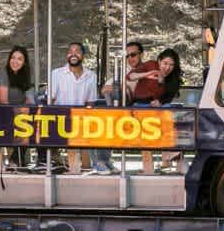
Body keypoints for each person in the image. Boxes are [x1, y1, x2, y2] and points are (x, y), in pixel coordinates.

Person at [90, 41, 151, 175]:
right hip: (125, 114)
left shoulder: (150, 70)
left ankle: (165, 164)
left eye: (133, 55)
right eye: (127, 56)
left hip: (145, 115)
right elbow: (105, 89)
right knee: (101, 121)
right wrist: (122, 87)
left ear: (142, 54)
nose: (130, 58)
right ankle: (101, 161)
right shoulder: (124, 72)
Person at [133, 49, 184, 174]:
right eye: (165, 63)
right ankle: (154, 164)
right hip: (142, 105)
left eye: (171, 65)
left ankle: (170, 157)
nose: (168, 67)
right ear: (159, 61)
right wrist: (146, 75)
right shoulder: (150, 67)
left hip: (160, 106)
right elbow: (132, 76)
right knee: (149, 125)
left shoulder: (174, 79)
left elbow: (167, 97)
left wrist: (159, 102)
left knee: (167, 115)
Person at [49, 42, 97, 174]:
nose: (73, 54)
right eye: (70, 51)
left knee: (85, 128)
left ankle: (87, 166)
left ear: (83, 56)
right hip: (60, 118)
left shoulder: (91, 76)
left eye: (77, 51)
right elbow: (50, 101)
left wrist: (86, 120)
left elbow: (91, 102)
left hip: (81, 119)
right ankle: (72, 169)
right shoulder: (56, 74)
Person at [0, 46, 35, 169]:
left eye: (19, 59)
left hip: (21, 115)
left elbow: (30, 98)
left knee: (34, 121)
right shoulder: (4, 73)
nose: (15, 61)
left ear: (24, 62)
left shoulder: (25, 74)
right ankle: (14, 160)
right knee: (23, 122)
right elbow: (3, 101)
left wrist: (28, 106)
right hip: (3, 113)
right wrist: (20, 111)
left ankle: (18, 159)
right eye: (13, 58)